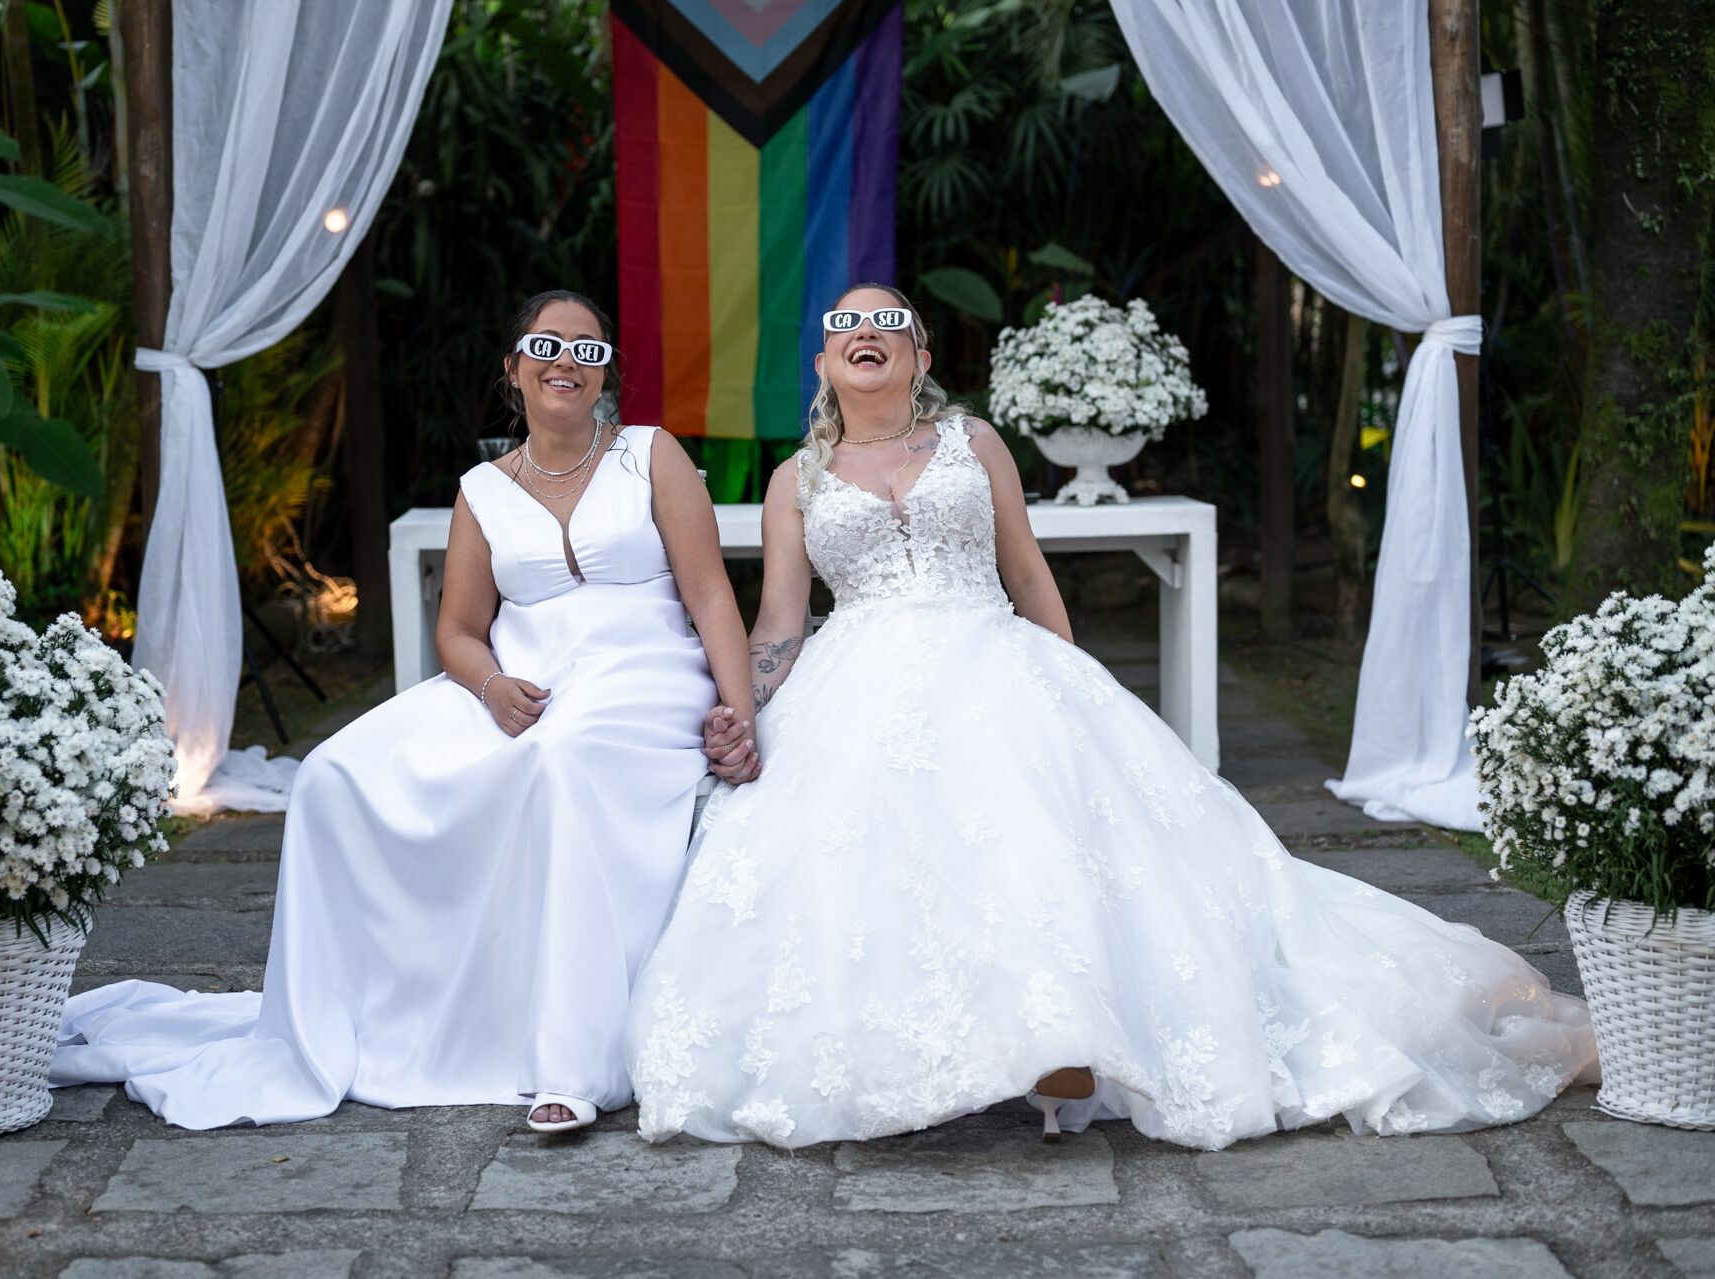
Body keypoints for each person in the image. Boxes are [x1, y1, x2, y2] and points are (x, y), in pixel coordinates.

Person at [622, 284, 1595, 1151]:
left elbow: (1029, 570)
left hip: (994, 657)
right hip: (859, 675)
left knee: (1050, 841)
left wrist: (1073, 684)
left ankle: (1065, 1049)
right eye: (847, 323)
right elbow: (782, 617)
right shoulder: (799, 480)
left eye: (889, 321)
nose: (867, 331)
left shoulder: (973, 442)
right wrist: (742, 709)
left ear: (918, 355)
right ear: (827, 363)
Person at [55, 290, 753, 1133]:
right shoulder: (483, 491)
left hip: (644, 674)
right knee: (333, 774)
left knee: (561, 758)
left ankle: (571, 1063)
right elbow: (457, 630)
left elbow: (712, 597)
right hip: (519, 683)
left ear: (607, 371)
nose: (567, 359)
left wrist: (736, 711)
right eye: (546, 344)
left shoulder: (652, 456)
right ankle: (351, 1018)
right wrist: (491, 686)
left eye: (588, 348)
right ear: (514, 369)